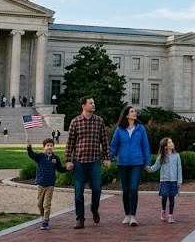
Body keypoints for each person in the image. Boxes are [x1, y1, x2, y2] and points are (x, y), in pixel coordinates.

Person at [65, 96, 111, 229]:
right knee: (78, 193)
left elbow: (104, 141)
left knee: (97, 189)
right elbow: (70, 143)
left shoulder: (99, 121)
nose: (93, 105)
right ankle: (80, 219)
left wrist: (107, 158)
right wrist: (68, 160)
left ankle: (94, 209)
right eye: (91, 103)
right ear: (83, 106)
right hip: (79, 162)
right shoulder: (75, 122)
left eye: (94, 103)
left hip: (94, 162)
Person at [109, 105, 151, 226]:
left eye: (135, 111)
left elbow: (145, 146)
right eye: (132, 111)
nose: (135, 113)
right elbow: (114, 146)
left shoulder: (141, 128)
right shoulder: (119, 129)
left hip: (137, 163)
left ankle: (133, 216)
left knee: (133, 188)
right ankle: (127, 215)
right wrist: (109, 158)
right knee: (126, 190)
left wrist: (147, 162)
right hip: (122, 163)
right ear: (126, 115)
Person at [26, 133, 69, 230]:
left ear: (53, 147)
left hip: (50, 184)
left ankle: (45, 221)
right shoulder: (40, 157)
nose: (49, 147)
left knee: (47, 204)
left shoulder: (55, 158)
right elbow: (31, 154)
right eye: (47, 146)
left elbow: (60, 169)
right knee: (39, 204)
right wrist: (29, 145)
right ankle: (43, 216)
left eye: (51, 146)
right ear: (44, 147)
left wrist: (68, 168)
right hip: (41, 183)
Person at [147, 137, 182, 224]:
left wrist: (179, 180)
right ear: (165, 146)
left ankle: (171, 215)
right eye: (169, 143)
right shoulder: (161, 157)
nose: (172, 144)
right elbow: (156, 166)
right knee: (164, 197)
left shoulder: (177, 156)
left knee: (172, 197)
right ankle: (163, 210)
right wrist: (149, 169)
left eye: (172, 142)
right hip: (164, 180)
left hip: (174, 180)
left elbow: (179, 169)